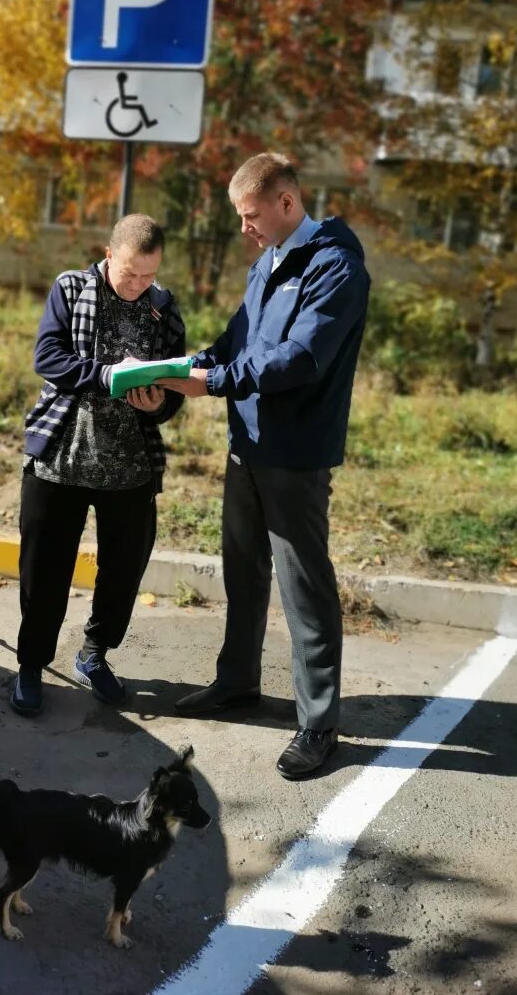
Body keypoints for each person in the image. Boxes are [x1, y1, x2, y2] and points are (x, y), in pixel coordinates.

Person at [160, 153, 370, 780]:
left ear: (285, 203)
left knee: (303, 587)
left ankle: (318, 725)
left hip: (295, 456)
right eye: (240, 218)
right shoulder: (266, 263)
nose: (244, 228)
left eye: (251, 216)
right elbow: (238, 340)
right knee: (242, 572)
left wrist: (214, 381)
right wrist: (186, 367)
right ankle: (237, 683)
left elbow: (299, 359)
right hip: (247, 446)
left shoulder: (335, 267)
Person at [10, 214, 186, 718]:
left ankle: (94, 655)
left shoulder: (164, 307)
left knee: (122, 573)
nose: (138, 286)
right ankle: (30, 664)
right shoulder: (70, 288)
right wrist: (108, 375)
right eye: (130, 273)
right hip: (60, 463)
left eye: (148, 276)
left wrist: (158, 405)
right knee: (44, 570)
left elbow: (173, 391)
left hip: (130, 471)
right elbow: (48, 358)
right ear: (109, 255)